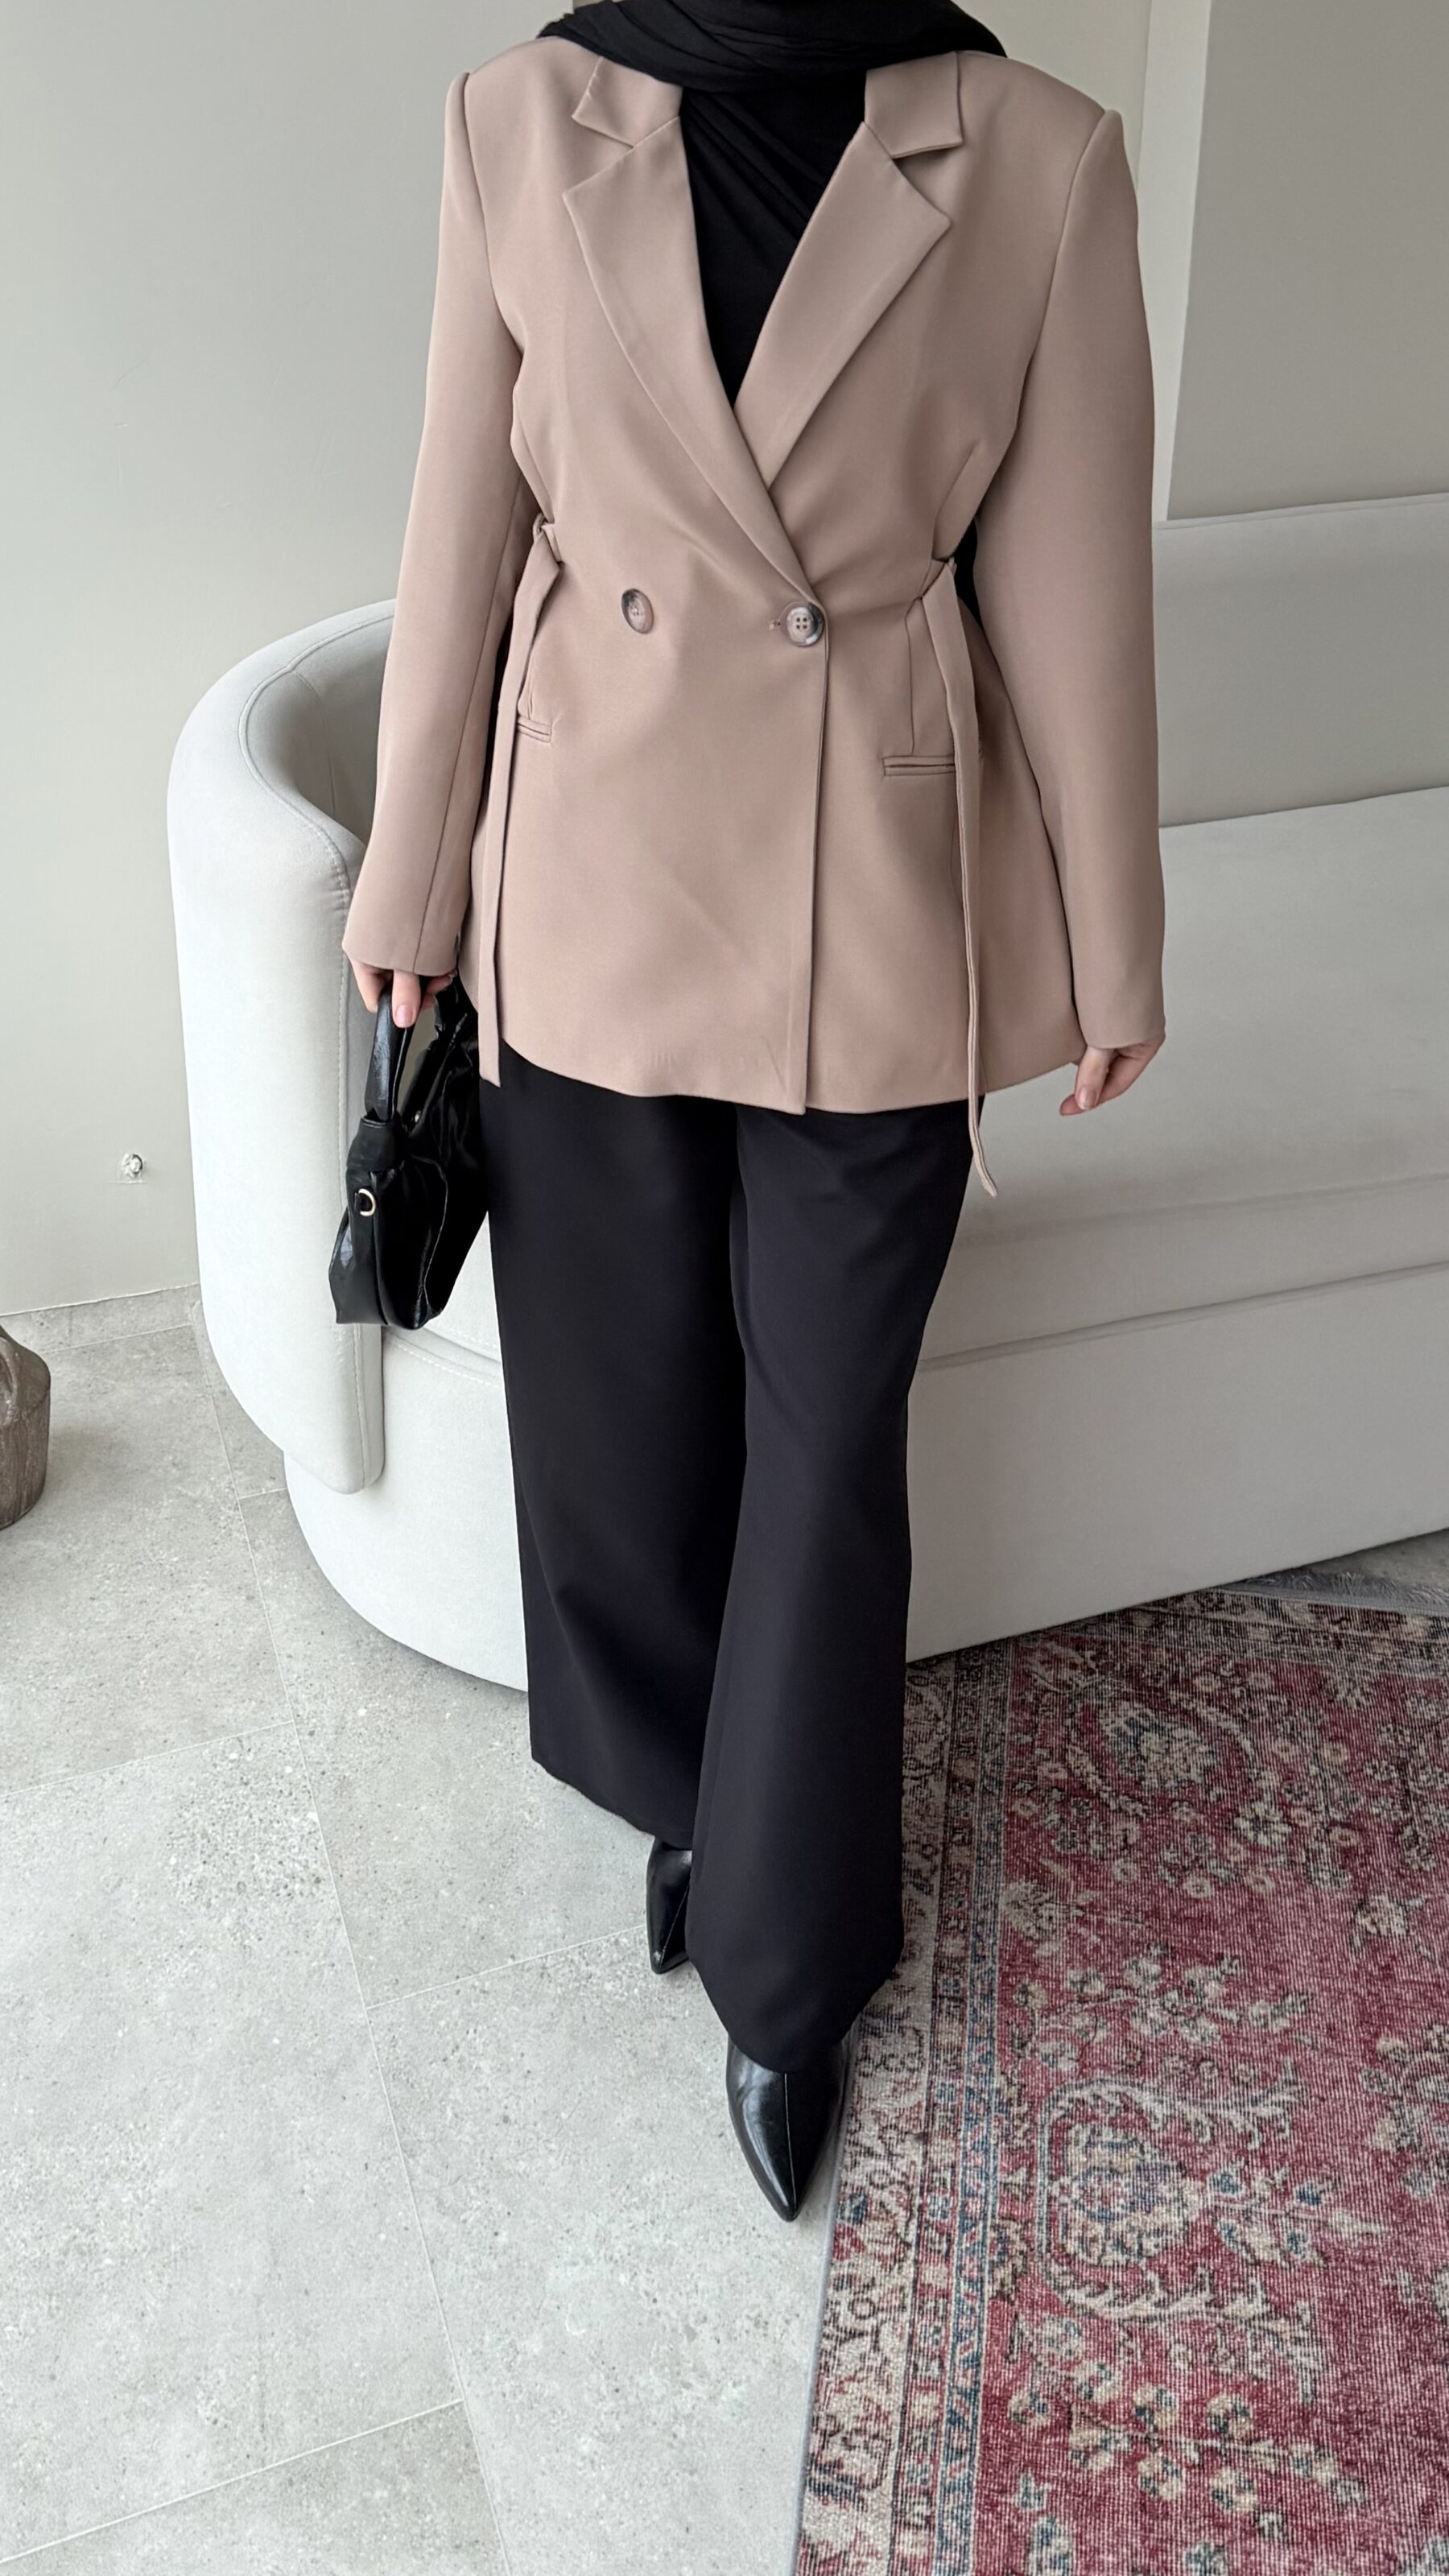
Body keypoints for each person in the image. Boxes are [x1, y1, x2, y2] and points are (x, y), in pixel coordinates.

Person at [342, 0, 1166, 2220]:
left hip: (871, 896)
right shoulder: (523, 118)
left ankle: (790, 1976)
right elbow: (461, 523)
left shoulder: (1038, 156)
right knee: (618, 1416)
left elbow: (1075, 576)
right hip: (590, 879)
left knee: (826, 1436)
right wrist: (411, 880)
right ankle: (692, 1802)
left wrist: (1114, 933)